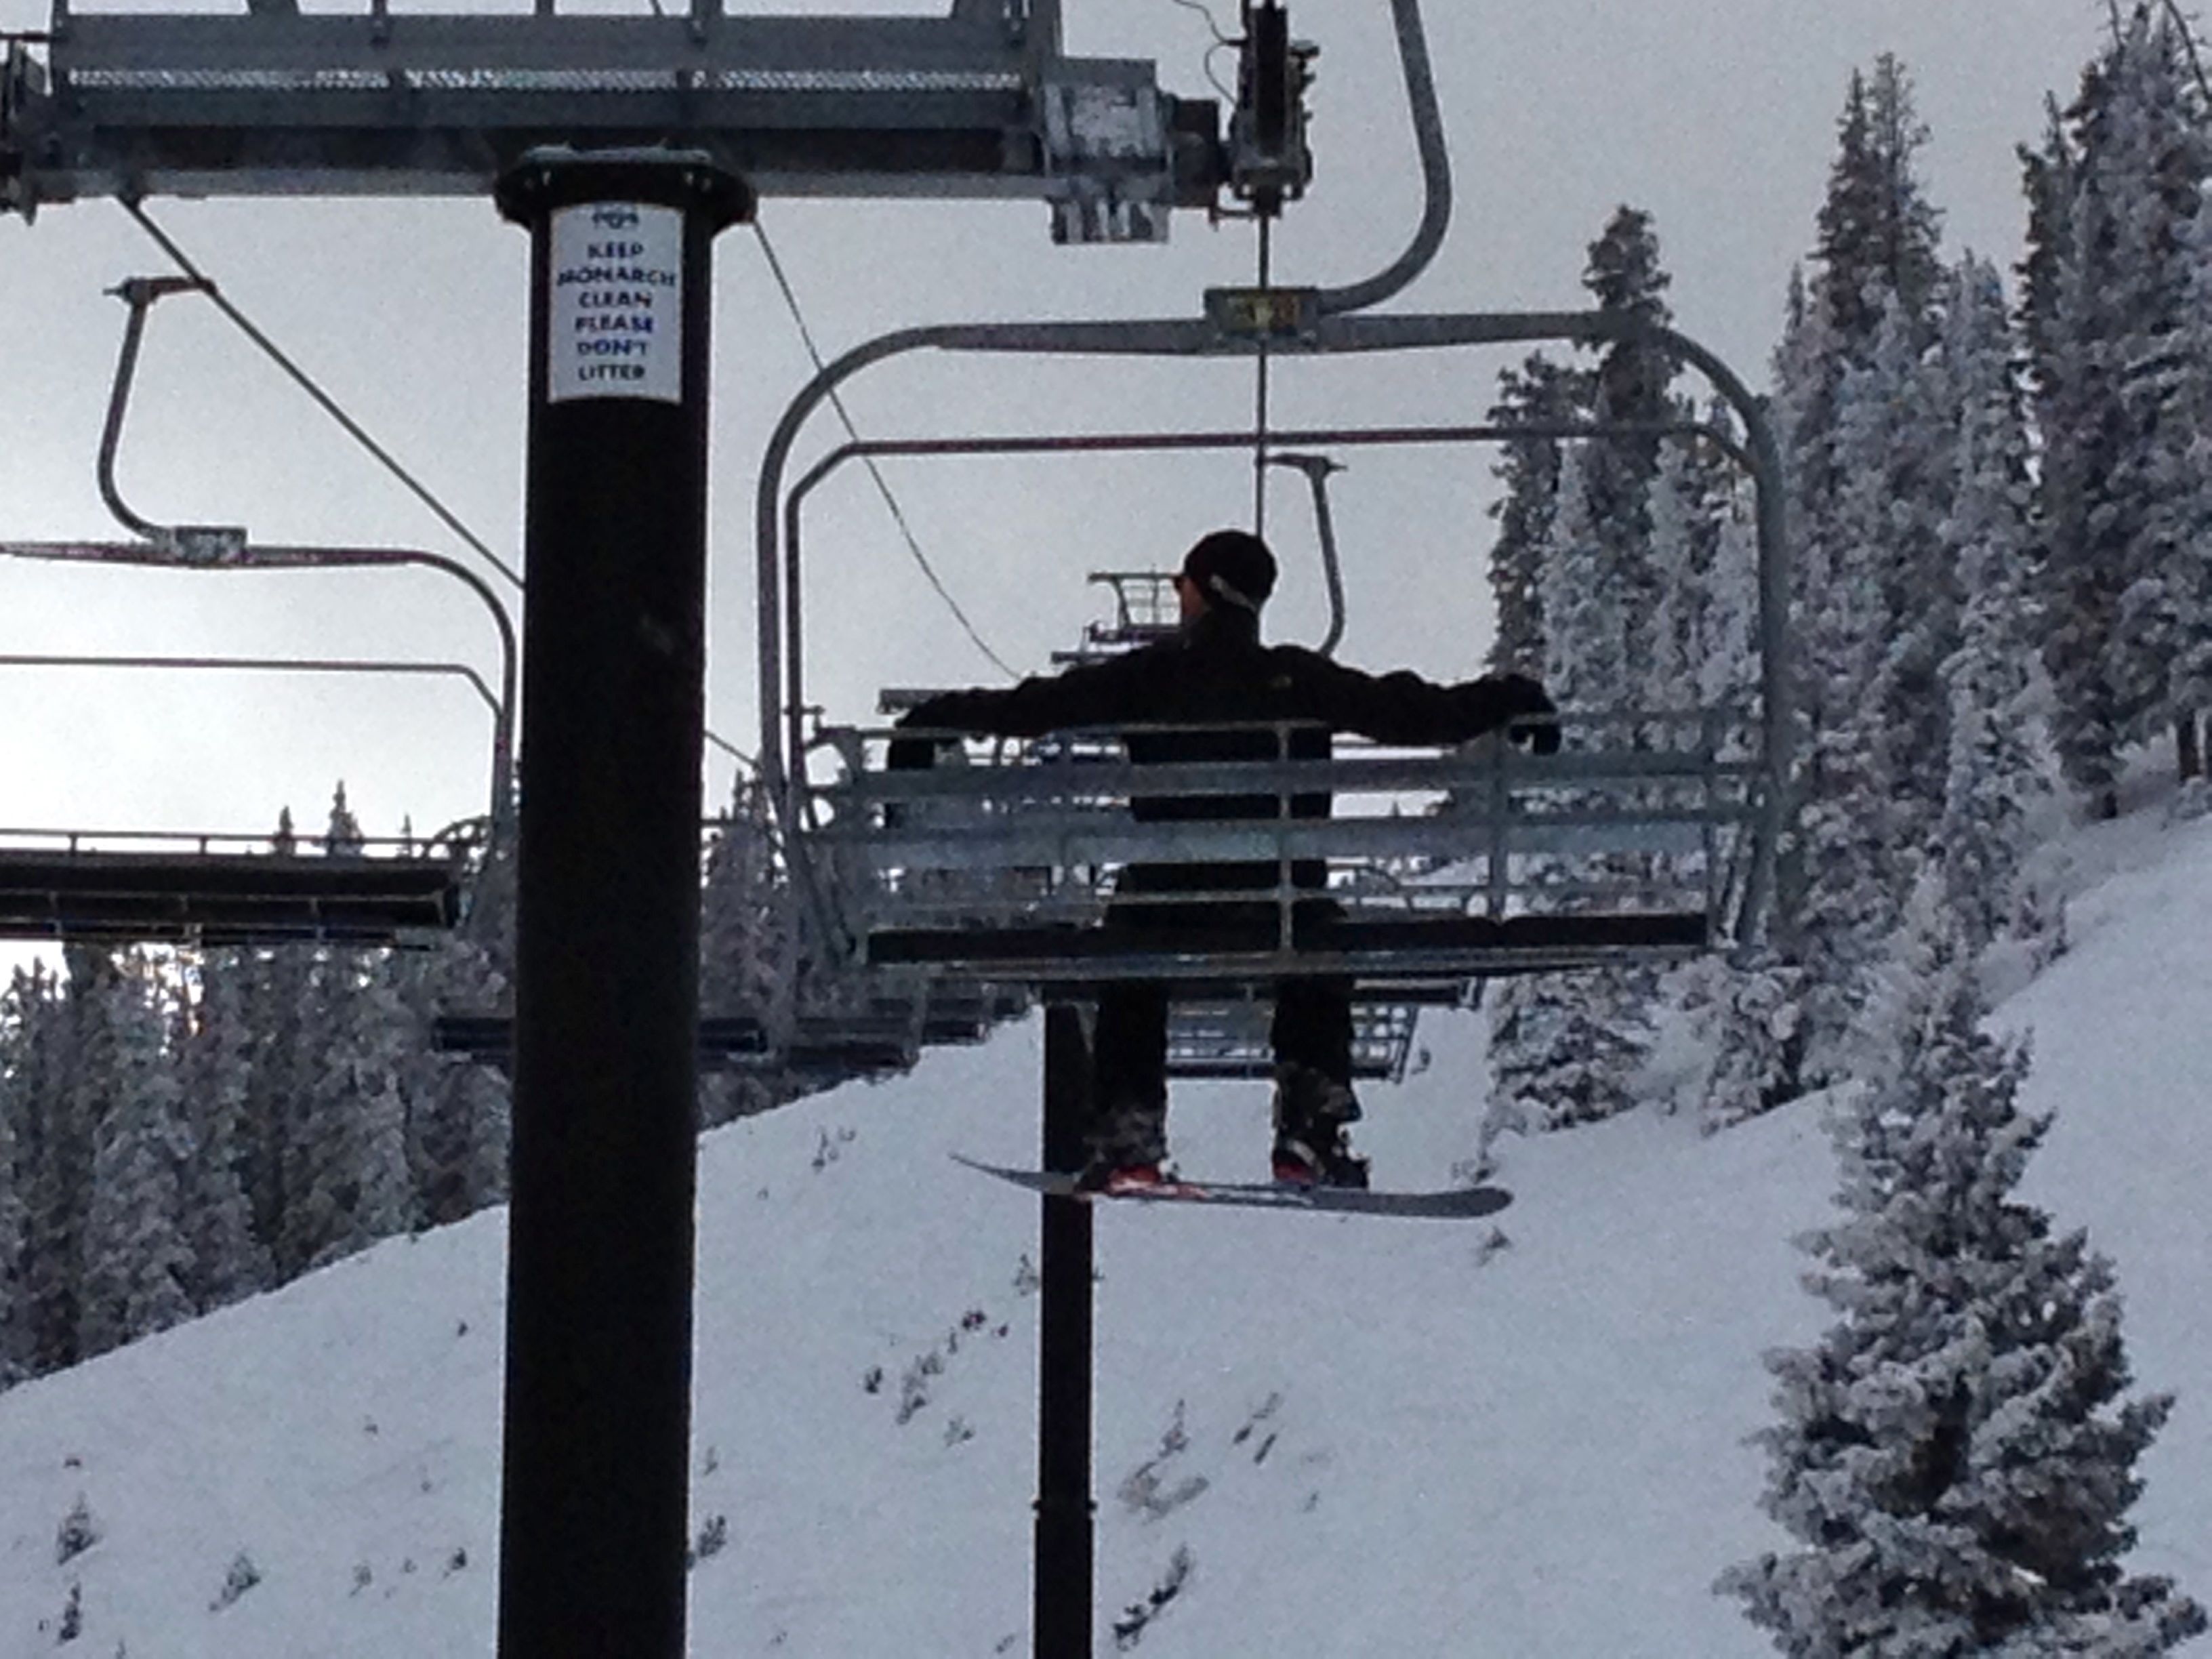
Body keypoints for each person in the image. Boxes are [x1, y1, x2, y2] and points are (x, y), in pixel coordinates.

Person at [890, 529, 1559, 1193]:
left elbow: (1035, 706)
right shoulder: (1296, 678)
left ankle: (1129, 1131)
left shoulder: (1149, 675)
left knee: (1127, 957)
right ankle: (1309, 1127)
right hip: (1279, 900)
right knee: (1318, 944)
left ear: (1205, 590)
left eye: (1182, 584)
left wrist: (934, 719)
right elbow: (1413, 713)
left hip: (1167, 904)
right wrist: (1509, 698)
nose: (1178, 595)